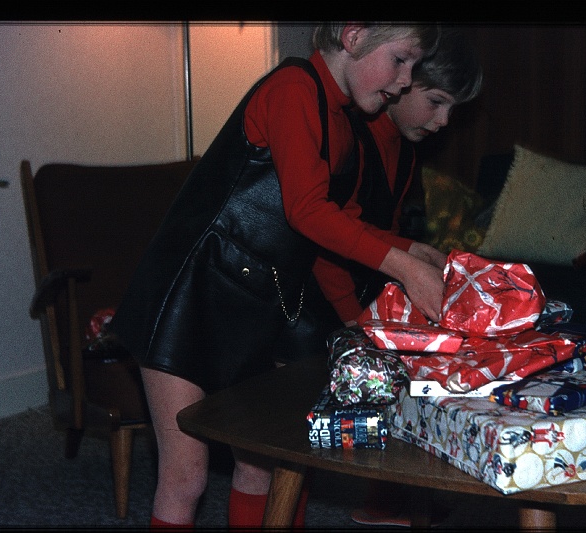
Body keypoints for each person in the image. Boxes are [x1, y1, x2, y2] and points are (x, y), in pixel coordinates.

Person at [108, 23, 443, 529]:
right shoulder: (292, 89)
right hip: (186, 297)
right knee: (185, 477)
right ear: (353, 37)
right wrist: (405, 268)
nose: (404, 81)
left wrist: (413, 256)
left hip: (249, 305)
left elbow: (337, 231)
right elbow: (307, 211)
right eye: (400, 60)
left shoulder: (344, 124)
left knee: (259, 462)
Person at [311, 26, 483, 527]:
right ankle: (387, 500)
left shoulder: (404, 149)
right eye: (436, 101)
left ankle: (399, 494)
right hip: (314, 304)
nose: (445, 120)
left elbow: (380, 237)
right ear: (401, 84)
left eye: (454, 109)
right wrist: (359, 327)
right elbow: (329, 247)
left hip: (358, 299)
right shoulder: (353, 138)